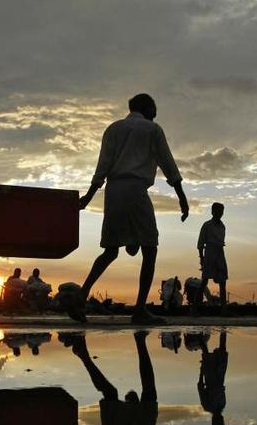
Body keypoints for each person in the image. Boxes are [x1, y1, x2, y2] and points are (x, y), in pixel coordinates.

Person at [72, 93, 189, 325]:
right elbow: (168, 163)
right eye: (154, 108)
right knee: (150, 248)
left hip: (114, 191)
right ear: (147, 108)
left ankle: (80, 297)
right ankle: (139, 310)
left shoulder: (113, 129)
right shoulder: (152, 130)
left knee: (110, 251)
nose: (156, 113)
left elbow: (102, 165)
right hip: (136, 190)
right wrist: (181, 197)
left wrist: (88, 196)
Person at [195, 203, 228, 314]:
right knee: (204, 281)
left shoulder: (222, 226)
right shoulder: (207, 225)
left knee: (223, 281)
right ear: (213, 212)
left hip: (220, 252)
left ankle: (223, 309)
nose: (220, 213)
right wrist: (202, 258)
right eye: (218, 211)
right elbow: (200, 243)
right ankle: (195, 307)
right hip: (209, 252)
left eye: (221, 211)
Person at [196, 331, 228, 425]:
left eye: (220, 420)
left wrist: (202, 370)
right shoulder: (222, 404)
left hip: (210, 375)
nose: (222, 418)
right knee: (222, 349)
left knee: (204, 349)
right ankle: (223, 329)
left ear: (215, 419)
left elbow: (200, 387)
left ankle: (198, 333)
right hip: (220, 375)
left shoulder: (208, 406)